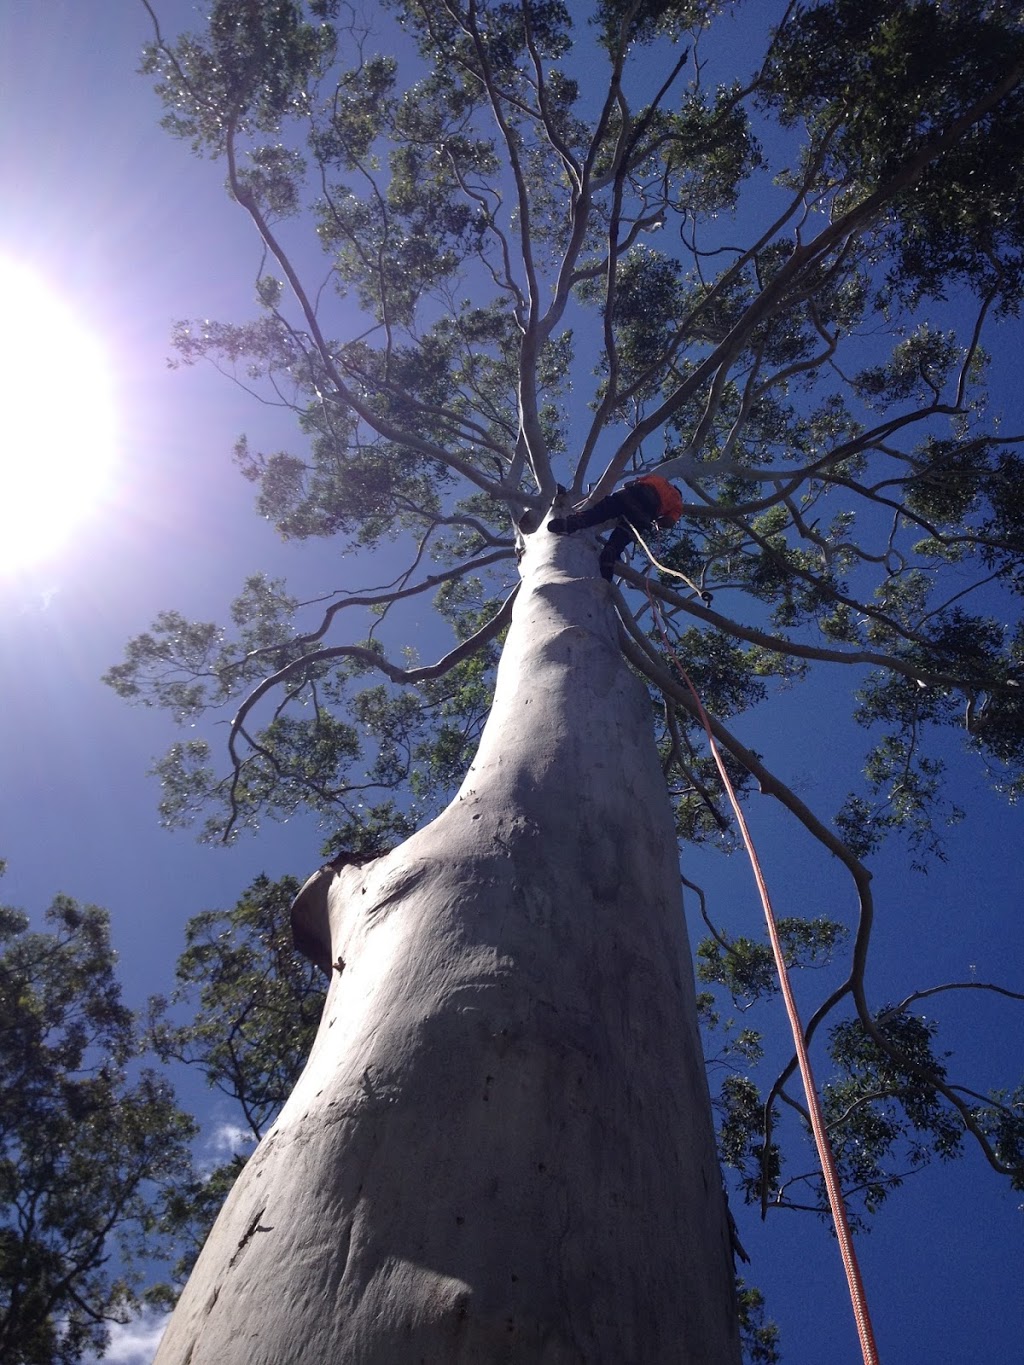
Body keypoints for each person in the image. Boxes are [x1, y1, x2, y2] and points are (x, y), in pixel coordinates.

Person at [547, 473, 683, 579]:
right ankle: (610, 554)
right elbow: (670, 522)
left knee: (601, 511)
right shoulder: (677, 503)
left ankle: (575, 522)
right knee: (623, 536)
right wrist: (658, 522)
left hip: (631, 495)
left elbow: (628, 483)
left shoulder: (657, 478)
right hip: (645, 513)